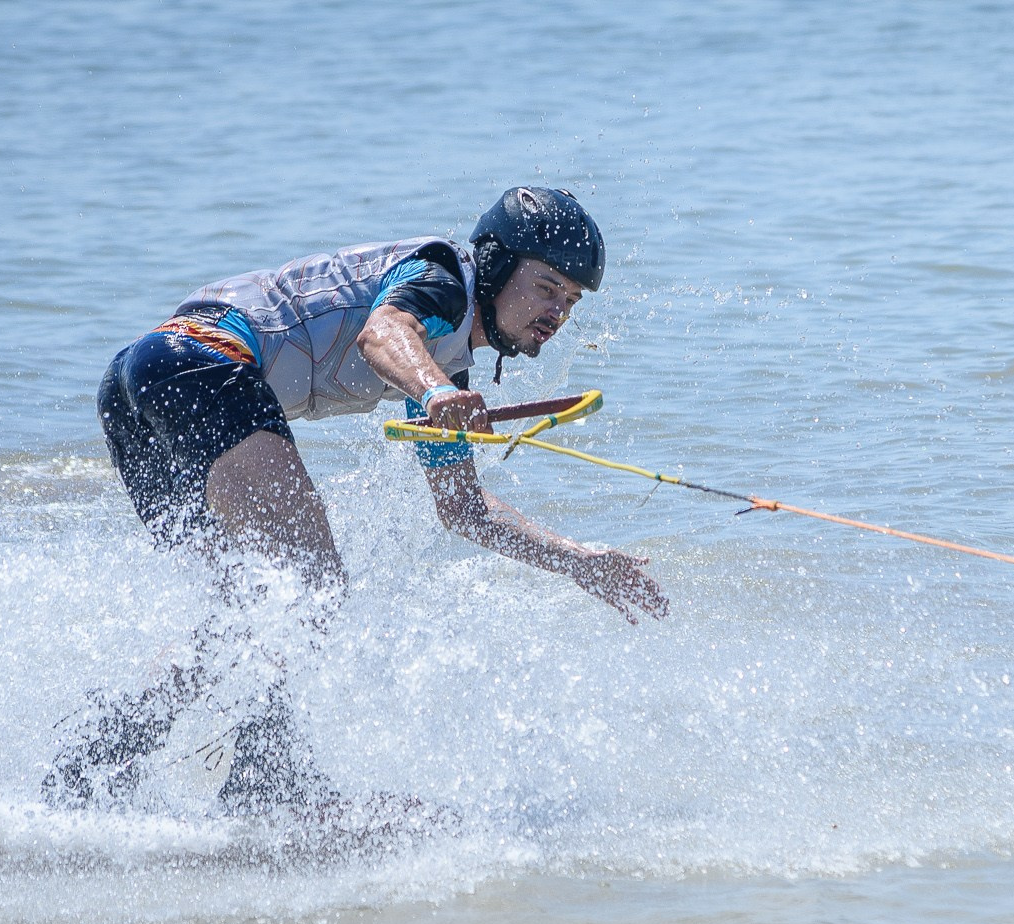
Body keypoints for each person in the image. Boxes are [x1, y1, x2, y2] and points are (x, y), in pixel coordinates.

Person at [44, 187, 667, 814]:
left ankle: (91, 765)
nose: (557, 312)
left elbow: (463, 510)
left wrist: (579, 561)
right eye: (546, 286)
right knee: (309, 584)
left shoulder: (437, 357)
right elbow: (382, 331)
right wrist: (431, 389)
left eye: (570, 299)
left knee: (244, 612)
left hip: (138, 384)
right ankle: (266, 783)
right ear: (499, 265)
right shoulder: (442, 279)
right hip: (197, 365)